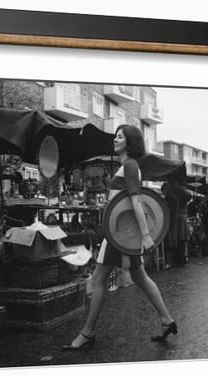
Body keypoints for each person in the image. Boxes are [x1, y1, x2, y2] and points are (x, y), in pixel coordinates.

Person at [63, 125, 177, 350]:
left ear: (130, 141)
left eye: (120, 137)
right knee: (140, 277)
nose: (115, 140)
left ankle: (87, 333)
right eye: (115, 136)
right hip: (122, 234)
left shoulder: (130, 166)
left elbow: (137, 200)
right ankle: (167, 320)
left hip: (119, 235)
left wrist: (145, 234)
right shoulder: (127, 166)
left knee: (98, 280)